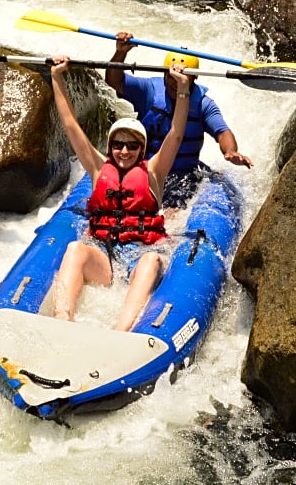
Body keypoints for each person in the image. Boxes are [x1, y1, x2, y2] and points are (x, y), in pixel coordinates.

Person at [49, 54, 191, 331]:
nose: (124, 151)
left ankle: (121, 331)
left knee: (151, 261)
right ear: (111, 146)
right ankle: (61, 321)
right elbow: (69, 124)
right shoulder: (98, 168)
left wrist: (182, 88)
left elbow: (176, 134)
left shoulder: (153, 172)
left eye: (131, 146)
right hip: (105, 253)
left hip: (141, 253)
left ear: (141, 149)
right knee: (75, 249)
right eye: (118, 145)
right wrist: (57, 78)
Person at [105, 32, 254, 208]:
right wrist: (121, 53)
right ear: (164, 74)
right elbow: (115, 81)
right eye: (171, 77)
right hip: (147, 168)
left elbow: (222, 131)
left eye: (183, 78)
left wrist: (230, 151)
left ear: (194, 78)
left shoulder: (203, 104)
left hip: (183, 175)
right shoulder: (149, 91)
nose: (175, 83)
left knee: (172, 211)